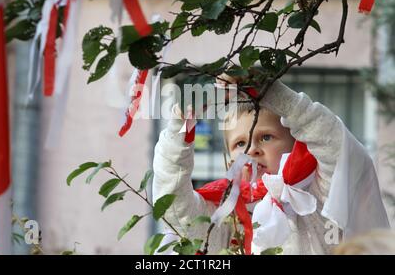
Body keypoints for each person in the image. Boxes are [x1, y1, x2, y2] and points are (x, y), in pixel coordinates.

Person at [152, 79, 390, 255]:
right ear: (229, 161)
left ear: (295, 143)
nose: (252, 150)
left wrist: (274, 94)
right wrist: (180, 126)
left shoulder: (316, 196)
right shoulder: (224, 216)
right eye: (240, 143)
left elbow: (337, 149)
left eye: (266, 137)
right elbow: (173, 207)